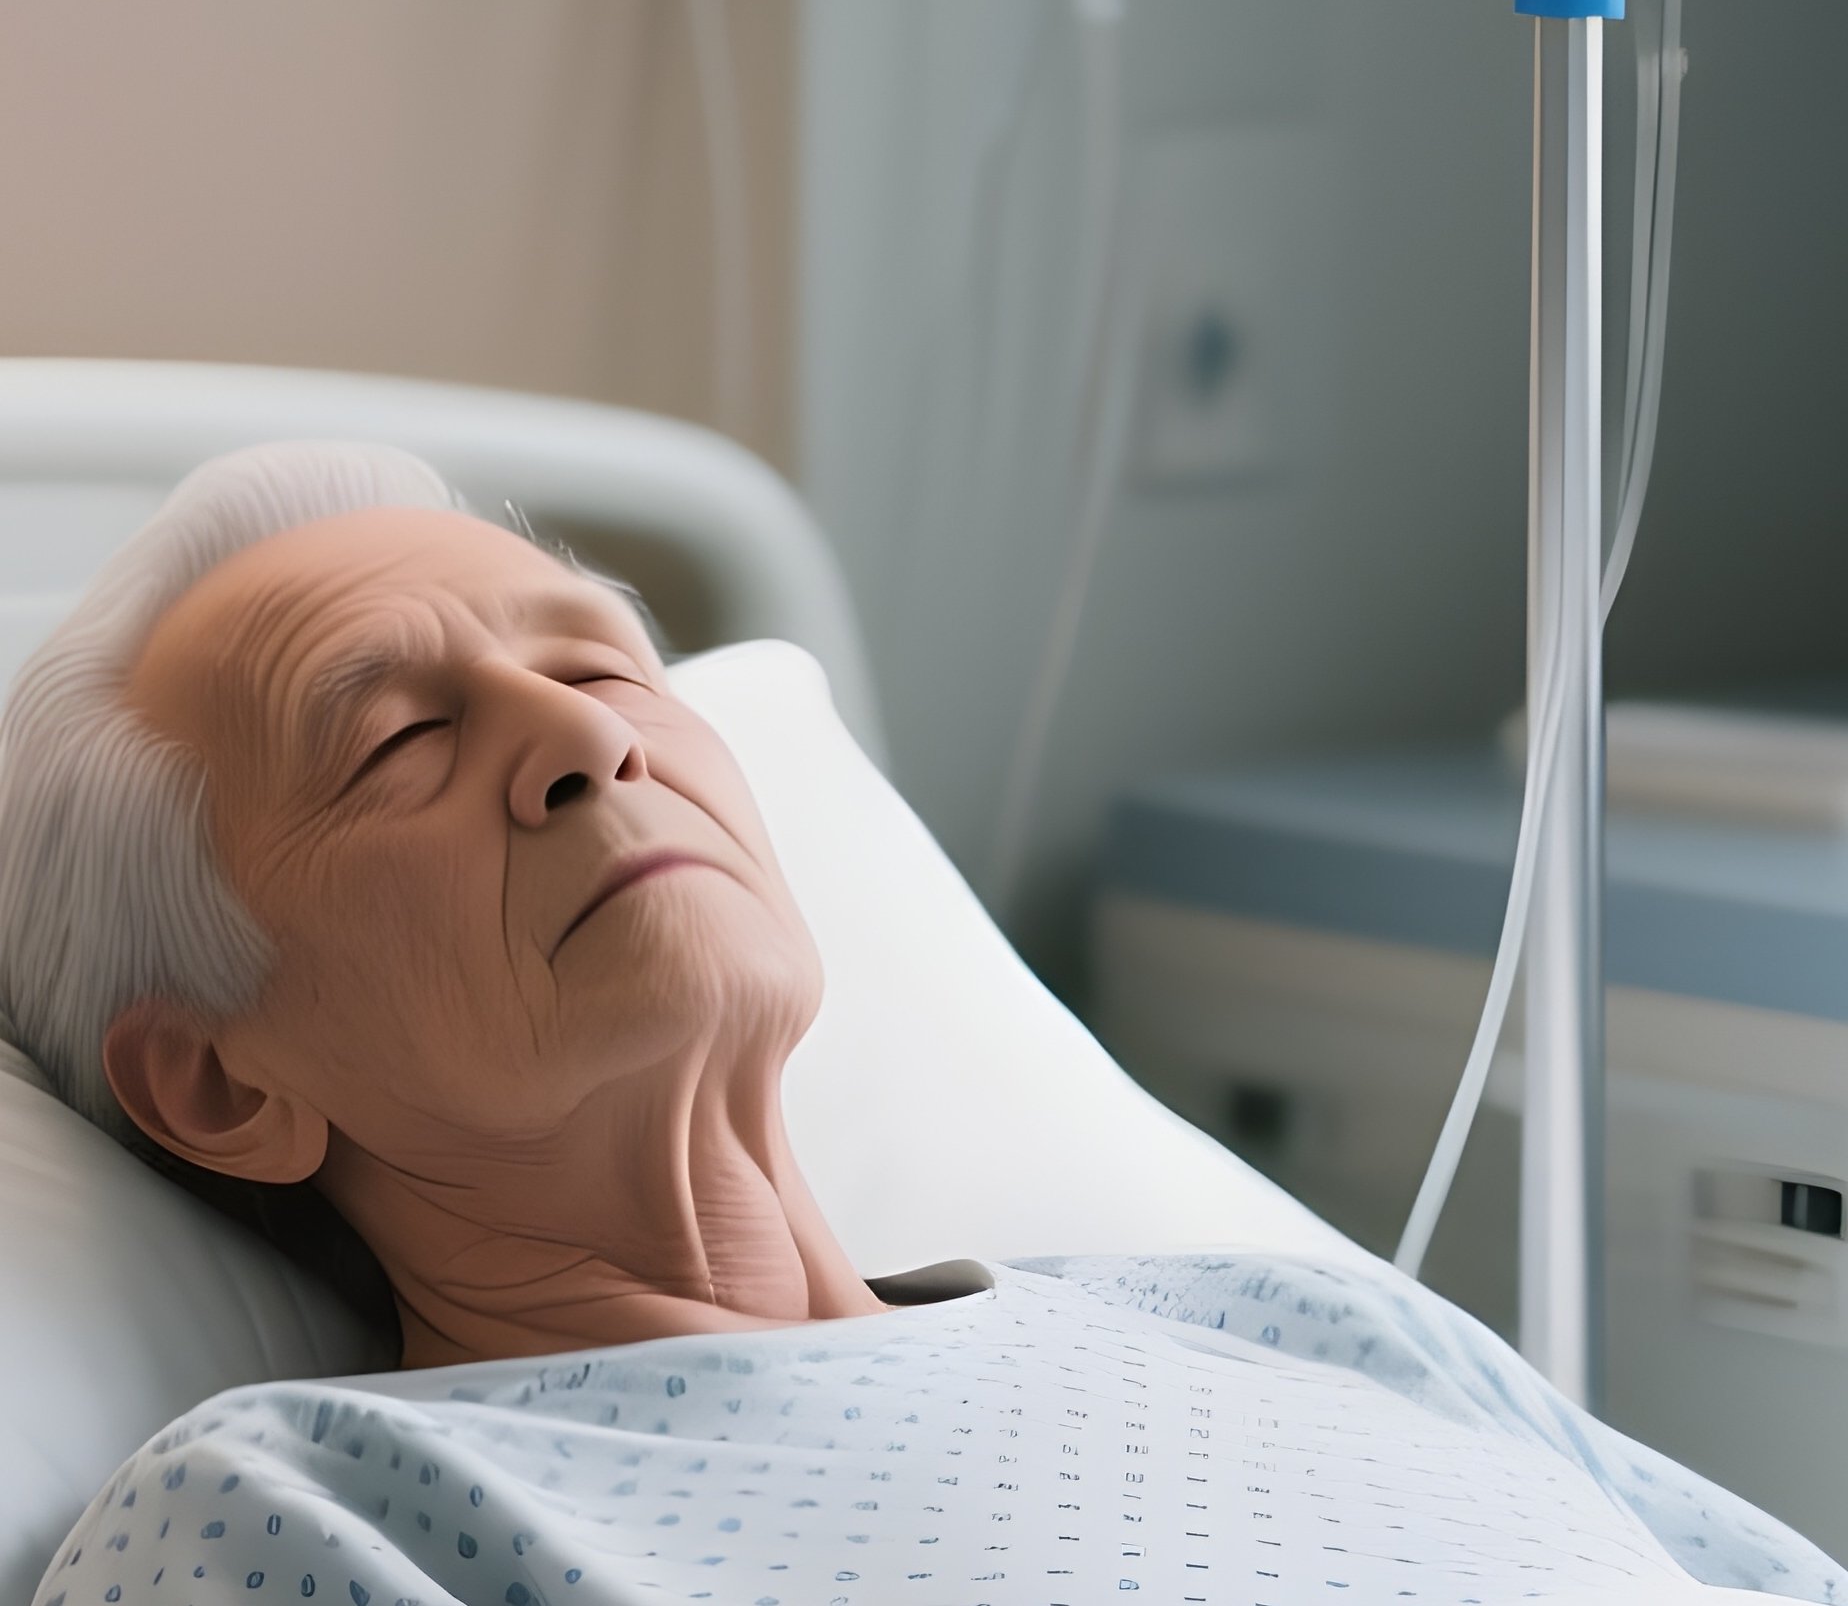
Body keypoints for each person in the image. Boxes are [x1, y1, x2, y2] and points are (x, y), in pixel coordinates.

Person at [3, 444, 1842, 1606]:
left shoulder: (1291, 1320)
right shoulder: (306, 1520)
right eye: (397, 741)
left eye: (591, 664)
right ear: (225, 1083)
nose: (583, 741)